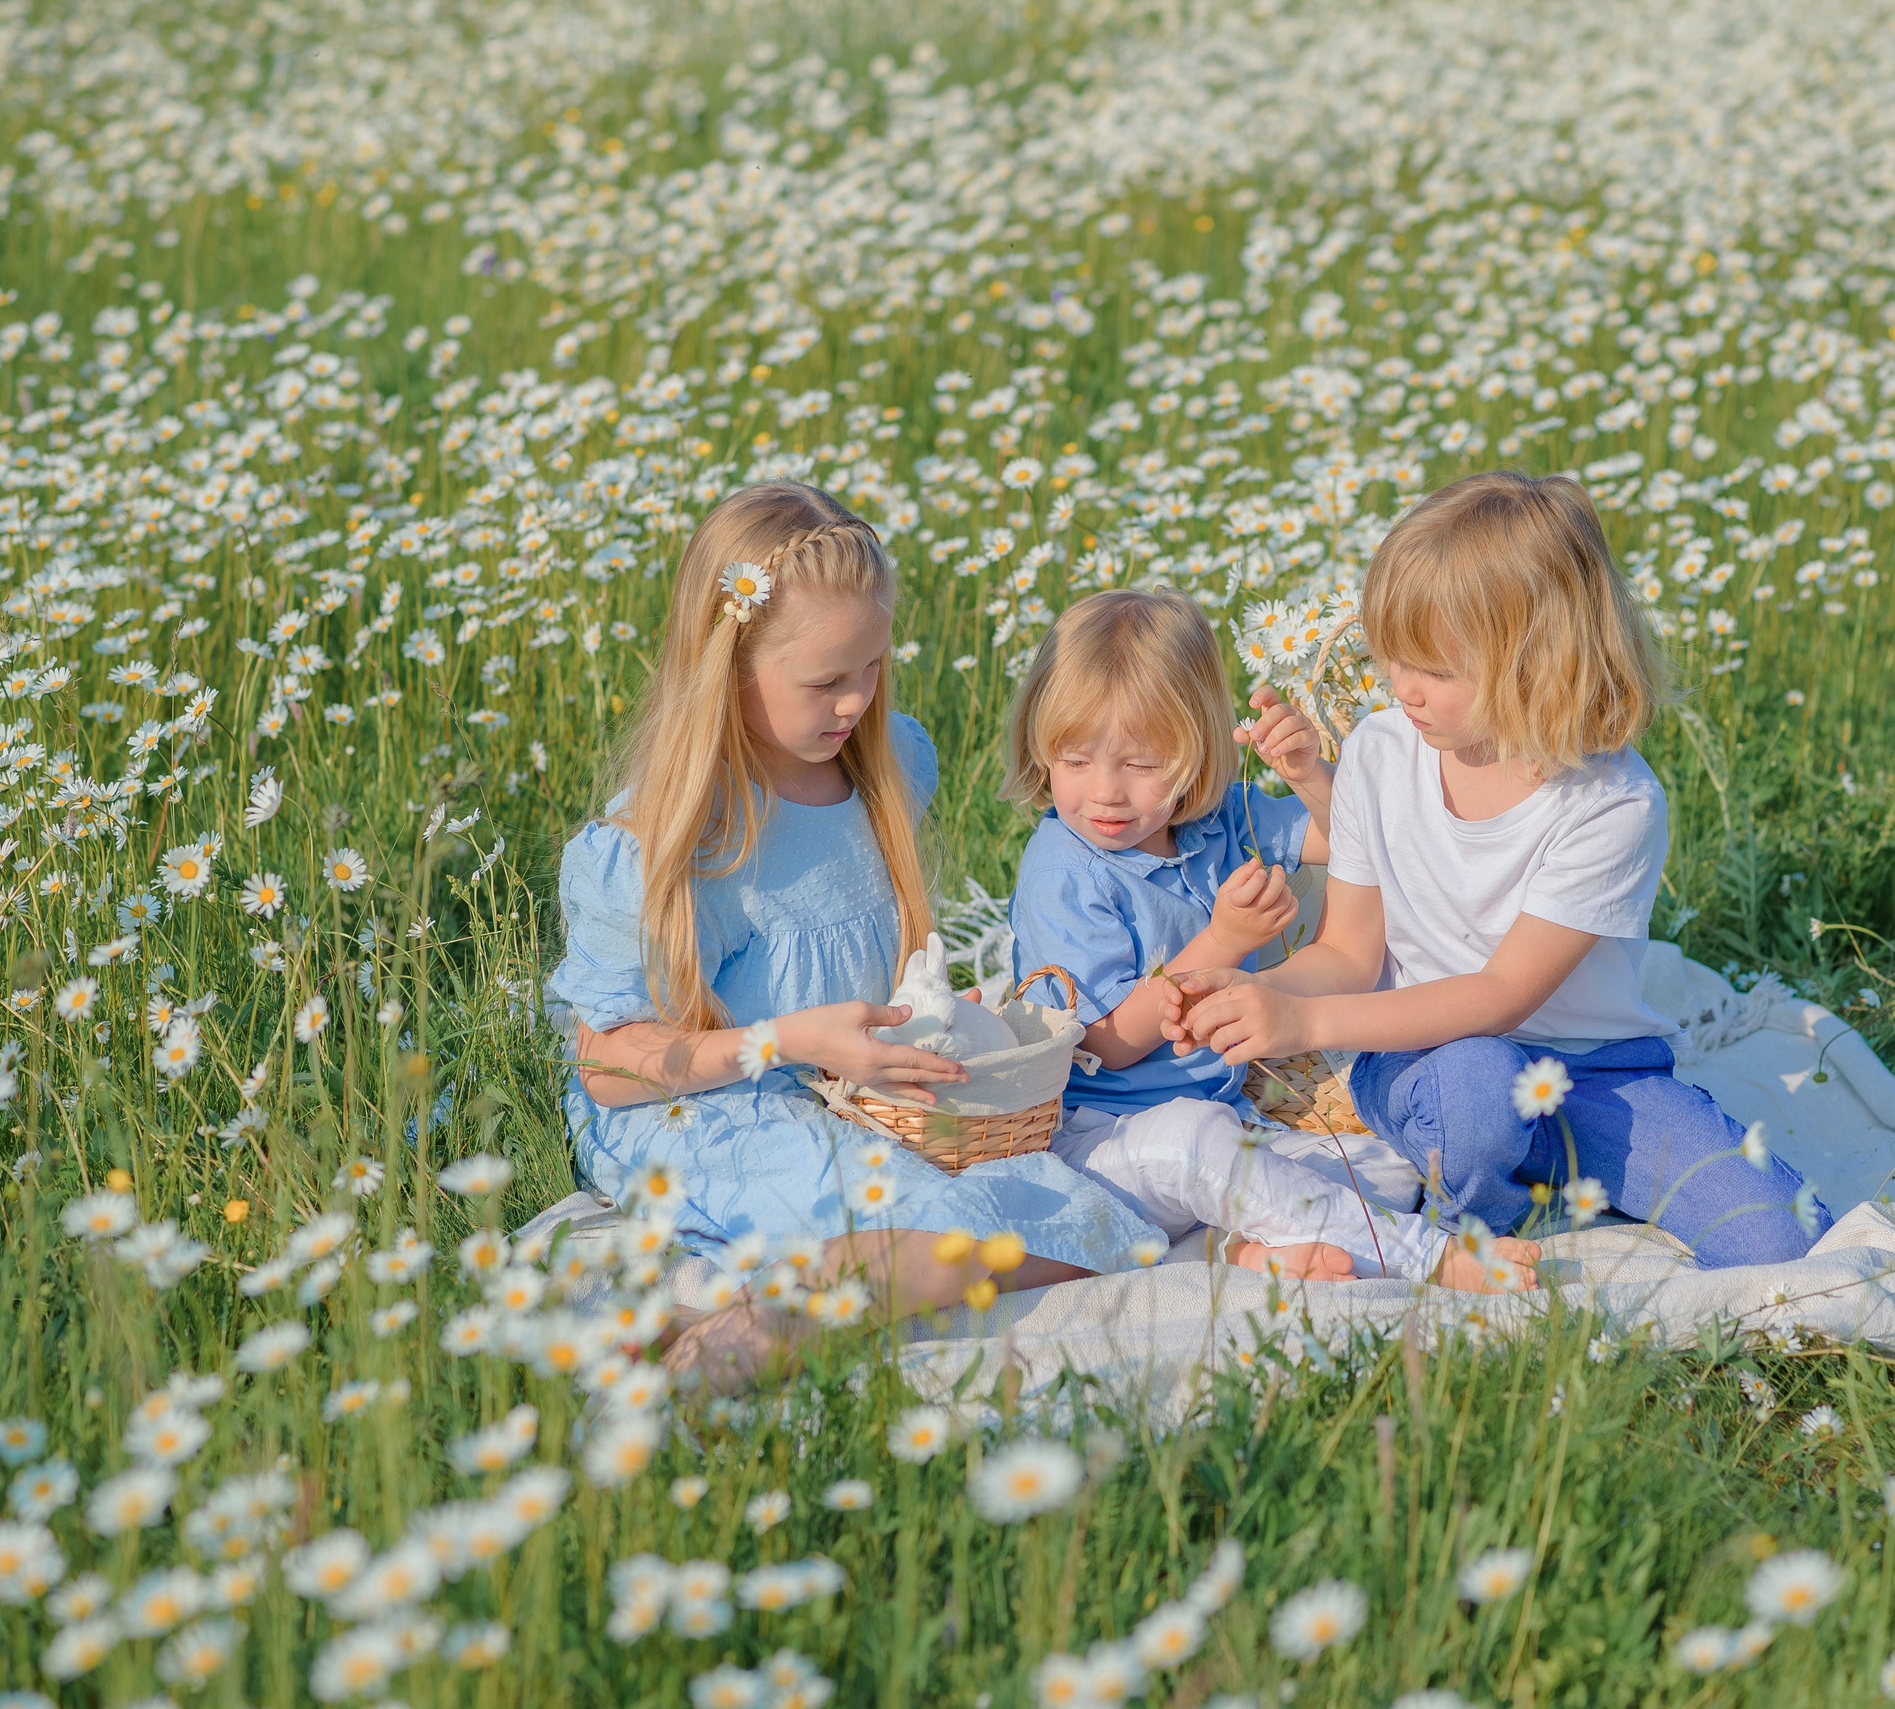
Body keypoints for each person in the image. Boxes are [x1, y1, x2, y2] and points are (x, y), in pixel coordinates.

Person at [545, 483, 1159, 1388]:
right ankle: (741, 1340)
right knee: (936, 1237)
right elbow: (609, 1065)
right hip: (704, 1105)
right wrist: (789, 1041)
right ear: (727, 668)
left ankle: (747, 1302)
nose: (855, 701)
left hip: (852, 1089)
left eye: (872, 666)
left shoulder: (885, 766)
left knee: (1093, 1225)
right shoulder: (670, 841)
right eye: (825, 680)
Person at [1160, 470, 1827, 1268]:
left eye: (1437, 670)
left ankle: (1532, 1172)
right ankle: (1467, 1232)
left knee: (1784, 1238)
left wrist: (1305, 1024)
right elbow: (1348, 953)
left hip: (1595, 1074)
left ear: (1540, 663)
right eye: (1393, 657)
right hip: (1429, 1065)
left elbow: (1502, 995)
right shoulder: (1380, 753)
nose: (1403, 688)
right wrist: (1262, 991)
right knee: (1479, 1092)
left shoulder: (1613, 802)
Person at [1006, 588, 1535, 1290]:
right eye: (1075, 760)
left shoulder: (1218, 823)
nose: (1104, 792)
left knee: (1381, 1167)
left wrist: (1308, 775)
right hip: (1100, 1140)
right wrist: (1224, 940)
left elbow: (1346, 839)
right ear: (1042, 749)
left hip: (1230, 1115)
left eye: (1139, 764)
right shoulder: (1063, 870)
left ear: (1194, 750)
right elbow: (1104, 1042)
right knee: (1199, 1148)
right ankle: (1429, 1257)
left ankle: (1233, 1251)